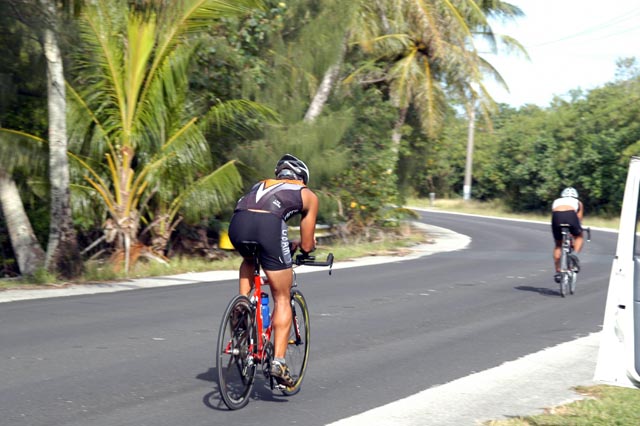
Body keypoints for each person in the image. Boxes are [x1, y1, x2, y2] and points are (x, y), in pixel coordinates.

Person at [227, 154, 318, 387]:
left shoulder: (260, 184)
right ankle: (278, 361)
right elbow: (307, 244)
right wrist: (304, 250)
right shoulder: (306, 193)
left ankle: (242, 307)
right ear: (302, 178)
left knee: (249, 258)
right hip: (269, 227)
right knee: (282, 296)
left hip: (238, 224)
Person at [551, 187, 584, 283]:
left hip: (557, 217)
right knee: (579, 236)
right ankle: (574, 254)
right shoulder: (578, 202)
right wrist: (575, 232)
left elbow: (554, 214)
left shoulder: (556, 201)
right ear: (576, 196)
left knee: (558, 244)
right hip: (571, 215)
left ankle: (558, 271)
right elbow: (579, 219)